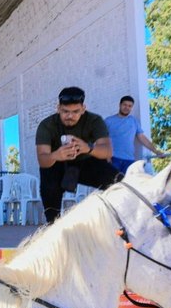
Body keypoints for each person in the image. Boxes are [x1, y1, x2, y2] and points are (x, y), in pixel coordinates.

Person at [35, 86, 120, 224]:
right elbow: (42, 160)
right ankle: (52, 225)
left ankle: (118, 220)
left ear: (83, 108)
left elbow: (108, 151)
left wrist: (88, 148)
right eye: (65, 111)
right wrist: (56, 155)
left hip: (86, 161)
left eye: (75, 112)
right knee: (48, 180)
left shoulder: (94, 120)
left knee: (118, 180)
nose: (70, 116)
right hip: (56, 165)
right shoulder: (47, 125)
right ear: (58, 108)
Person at [104, 95, 165, 173]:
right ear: (120, 105)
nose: (127, 107)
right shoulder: (108, 121)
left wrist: (156, 151)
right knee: (111, 184)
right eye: (125, 105)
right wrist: (107, 158)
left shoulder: (133, 121)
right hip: (113, 159)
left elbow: (142, 138)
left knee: (128, 184)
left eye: (129, 106)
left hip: (129, 160)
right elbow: (101, 139)